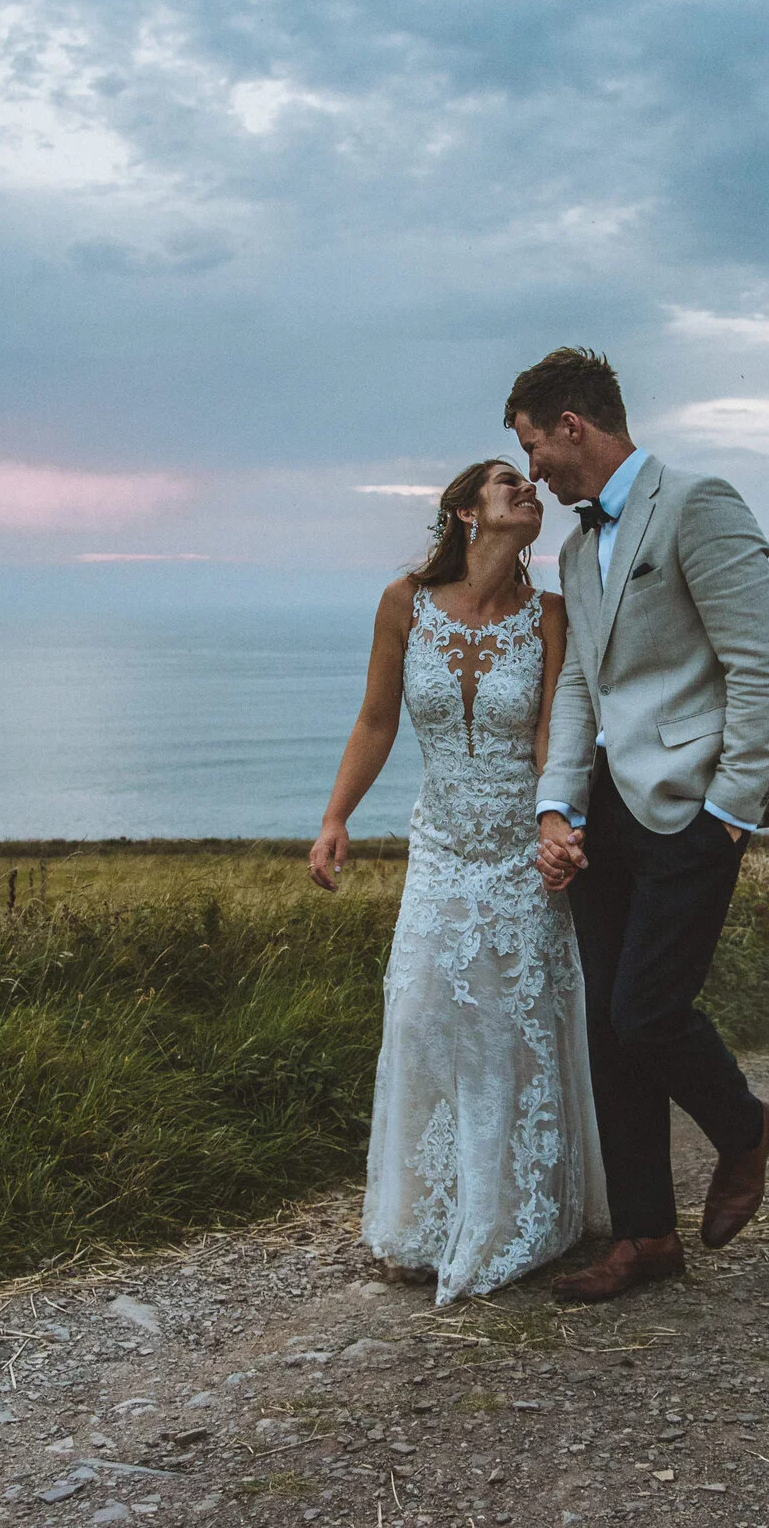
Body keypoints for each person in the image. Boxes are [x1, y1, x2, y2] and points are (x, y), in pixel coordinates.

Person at [508, 347, 769, 1303]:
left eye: (532, 444)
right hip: (602, 814)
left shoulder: (699, 503)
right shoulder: (578, 548)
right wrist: (557, 803)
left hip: (691, 808)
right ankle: (644, 1238)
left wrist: (728, 813)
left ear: (572, 427)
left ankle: (744, 1126)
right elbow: (585, 685)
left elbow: (760, 669)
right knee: (607, 1029)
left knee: (647, 1012)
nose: (533, 467)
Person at [308, 458, 608, 1301]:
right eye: (509, 481)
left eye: (534, 485)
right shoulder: (404, 604)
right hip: (440, 845)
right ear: (467, 512)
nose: (530, 490)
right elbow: (375, 719)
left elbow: (556, 735)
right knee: (423, 1013)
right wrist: (336, 818)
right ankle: (429, 1213)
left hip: (521, 850)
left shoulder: (549, 617)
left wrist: (559, 823)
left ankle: (517, 1218)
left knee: (517, 1029)